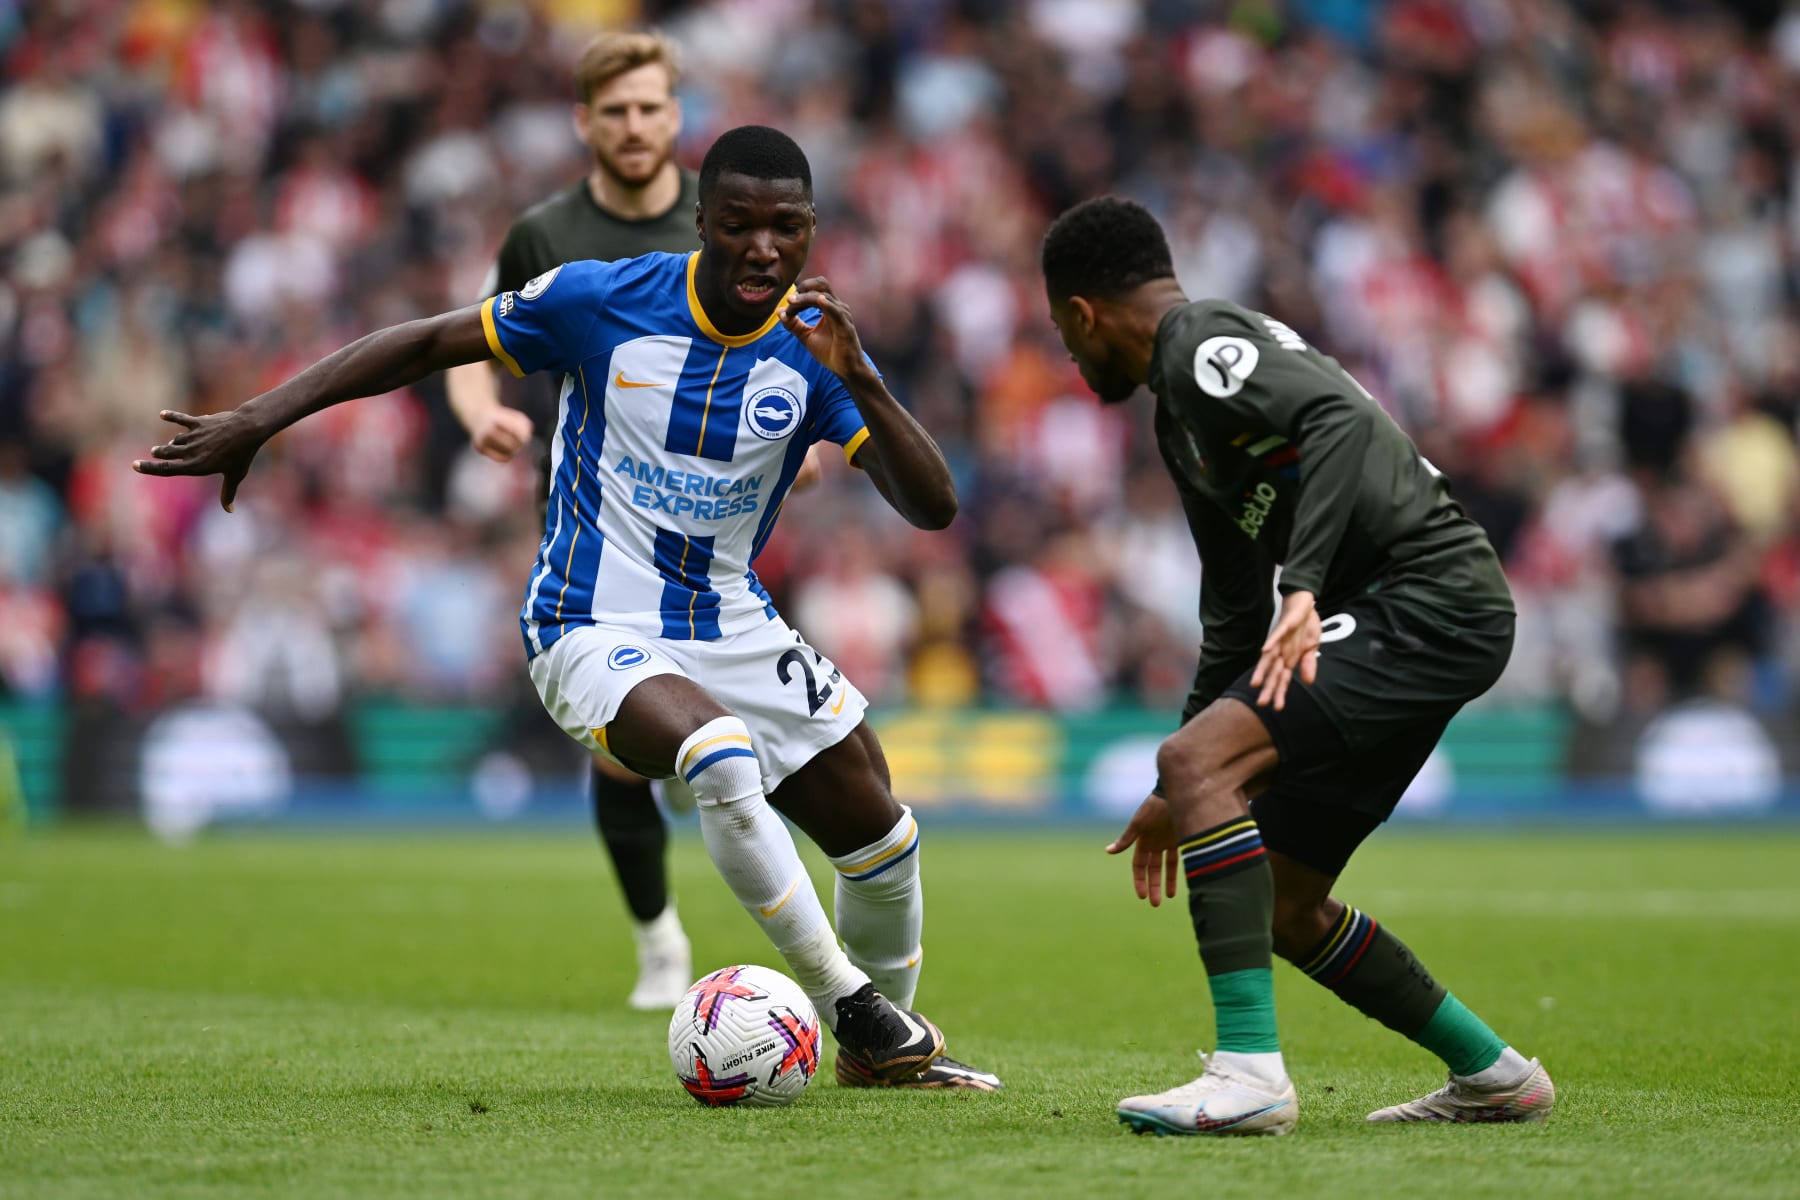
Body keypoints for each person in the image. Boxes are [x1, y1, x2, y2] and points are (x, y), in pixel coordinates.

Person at [135, 125, 1000, 1092]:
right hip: (589, 623)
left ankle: (881, 1058)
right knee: (717, 757)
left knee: (881, 839)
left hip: (730, 619)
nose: (764, 249)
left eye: (787, 229)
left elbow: (933, 508)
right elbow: (426, 343)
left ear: (811, 231)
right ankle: (857, 1009)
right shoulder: (602, 298)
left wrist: (863, 377)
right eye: (741, 226)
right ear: (702, 223)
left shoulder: (815, 352)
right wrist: (261, 417)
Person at [1039, 196, 1553, 1135]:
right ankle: (1495, 1074)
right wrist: (1183, 760)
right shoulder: (1180, 423)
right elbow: (1233, 612)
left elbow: (1341, 425)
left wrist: (1304, 588)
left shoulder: (1201, 339)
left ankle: (1250, 1076)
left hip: (1426, 597)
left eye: (1064, 337)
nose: (1073, 362)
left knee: (1205, 769)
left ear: (1083, 313)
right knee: (1281, 898)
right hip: (1396, 615)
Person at [446, 30, 824, 1011]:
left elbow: (798, 340)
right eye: (614, 111)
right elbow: (465, 343)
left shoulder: (736, 217)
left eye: (651, 107)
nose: (634, 126)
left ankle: (821, 931)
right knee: (624, 756)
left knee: (730, 738)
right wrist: (482, 411)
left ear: (675, 114)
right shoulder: (547, 236)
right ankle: (661, 940)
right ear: (585, 122)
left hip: (717, 526)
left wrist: (813, 440)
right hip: (594, 529)